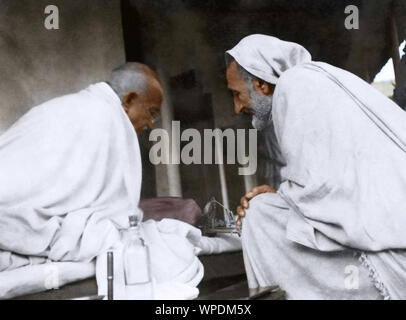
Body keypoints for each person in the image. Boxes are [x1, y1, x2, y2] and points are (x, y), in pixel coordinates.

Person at [225, 34, 406, 299]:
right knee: (266, 207)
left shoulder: (294, 85)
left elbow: (324, 187)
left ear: (261, 83)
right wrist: (284, 195)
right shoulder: (317, 78)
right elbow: (334, 179)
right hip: (393, 227)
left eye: (237, 94)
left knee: (259, 214)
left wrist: (281, 198)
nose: (237, 106)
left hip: (392, 251)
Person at [0, 62, 163, 270]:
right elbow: (117, 212)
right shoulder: (110, 118)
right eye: (152, 112)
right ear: (129, 100)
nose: (150, 123)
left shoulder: (64, 104)